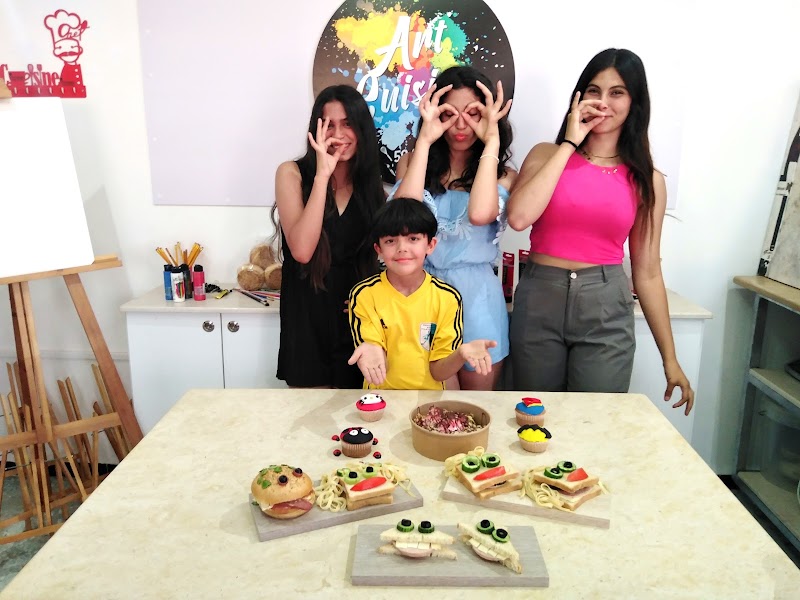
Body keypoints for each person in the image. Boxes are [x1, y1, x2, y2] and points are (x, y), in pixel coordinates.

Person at [506, 48, 695, 415]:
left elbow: (647, 272)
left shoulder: (647, 180)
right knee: (534, 418)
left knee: (595, 421)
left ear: (634, 102)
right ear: (579, 97)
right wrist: (569, 144)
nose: (603, 102)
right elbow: (518, 217)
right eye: (594, 90)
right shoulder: (546, 154)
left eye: (617, 92)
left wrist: (670, 358)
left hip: (606, 305)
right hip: (540, 298)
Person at [392, 65, 516, 391]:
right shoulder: (412, 162)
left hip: (478, 300)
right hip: (422, 294)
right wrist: (425, 140)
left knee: (476, 408)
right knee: (426, 405)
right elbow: (403, 219)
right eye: (449, 114)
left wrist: (491, 142)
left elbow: (480, 213)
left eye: (473, 113)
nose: (461, 125)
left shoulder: (503, 175)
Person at [272, 85, 386, 388]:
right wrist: (323, 175)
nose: (338, 134)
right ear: (316, 130)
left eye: (348, 124)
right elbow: (302, 250)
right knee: (310, 411)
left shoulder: (371, 188)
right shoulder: (292, 173)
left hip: (355, 315)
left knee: (359, 412)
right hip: (306, 313)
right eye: (329, 125)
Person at [347, 198, 497, 390]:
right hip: (381, 400)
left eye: (413, 239)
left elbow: (438, 372)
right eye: (390, 241)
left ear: (430, 245)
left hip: (429, 402)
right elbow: (377, 363)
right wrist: (371, 350)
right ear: (379, 249)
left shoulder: (447, 298)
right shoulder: (364, 294)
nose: (402, 248)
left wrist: (460, 354)